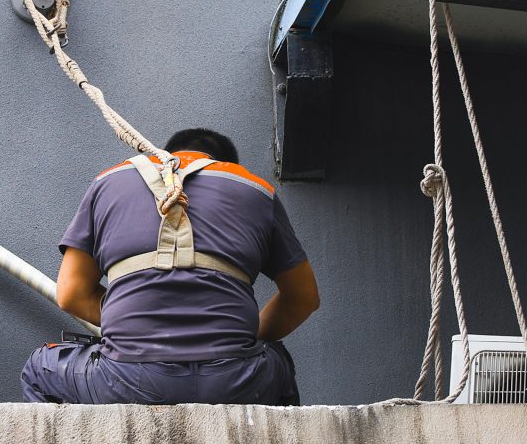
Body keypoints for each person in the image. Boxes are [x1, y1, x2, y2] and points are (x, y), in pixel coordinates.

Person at [21, 127, 319, 404]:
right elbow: (303, 299)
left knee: (39, 369)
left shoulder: (108, 181)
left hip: (124, 379)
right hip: (235, 382)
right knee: (277, 359)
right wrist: (245, 339)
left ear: (167, 155)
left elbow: (70, 294)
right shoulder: (254, 189)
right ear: (226, 165)